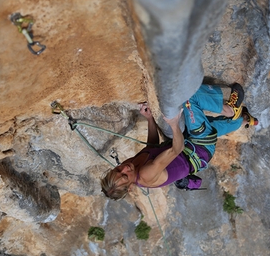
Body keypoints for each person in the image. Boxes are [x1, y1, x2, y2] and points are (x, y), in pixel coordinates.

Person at [100, 83, 258, 200]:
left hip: (191, 145)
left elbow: (152, 148)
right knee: (189, 99)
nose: (125, 168)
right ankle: (230, 109)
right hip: (198, 148)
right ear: (129, 186)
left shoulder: (130, 166)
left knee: (209, 125)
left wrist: (149, 119)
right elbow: (176, 148)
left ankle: (246, 120)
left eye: (118, 170)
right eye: (125, 176)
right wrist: (174, 124)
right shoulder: (146, 175)